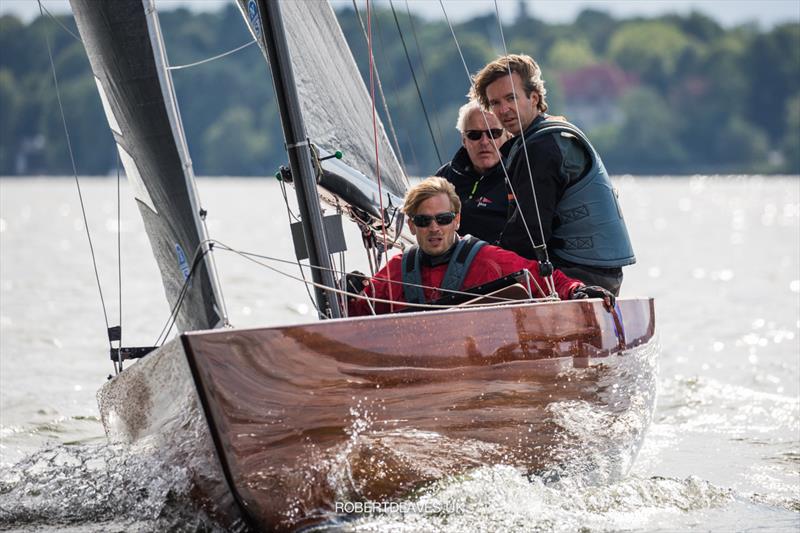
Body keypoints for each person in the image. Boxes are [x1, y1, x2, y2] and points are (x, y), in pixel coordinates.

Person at [471, 54, 635, 295]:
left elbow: (527, 236)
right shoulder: (552, 133)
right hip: (602, 274)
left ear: (534, 97)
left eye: (511, 98)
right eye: (495, 103)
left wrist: (474, 259)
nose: (503, 109)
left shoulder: (540, 148)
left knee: (472, 270)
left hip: (579, 276)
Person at [346, 177, 613, 316]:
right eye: (424, 221)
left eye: (444, 219)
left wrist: (578, 291)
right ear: (412, 225)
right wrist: (347, 296)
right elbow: (358, 312)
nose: (435, 228)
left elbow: (547, 279)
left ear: (457, 220)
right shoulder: (397, 271)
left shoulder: (487, 259)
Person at [435, 101, 511, 243]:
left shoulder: (521, 177)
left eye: (493, 133)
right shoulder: (444, 177)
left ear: (507, 136)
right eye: (474, 135)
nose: (484, 142)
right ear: (464, 140)